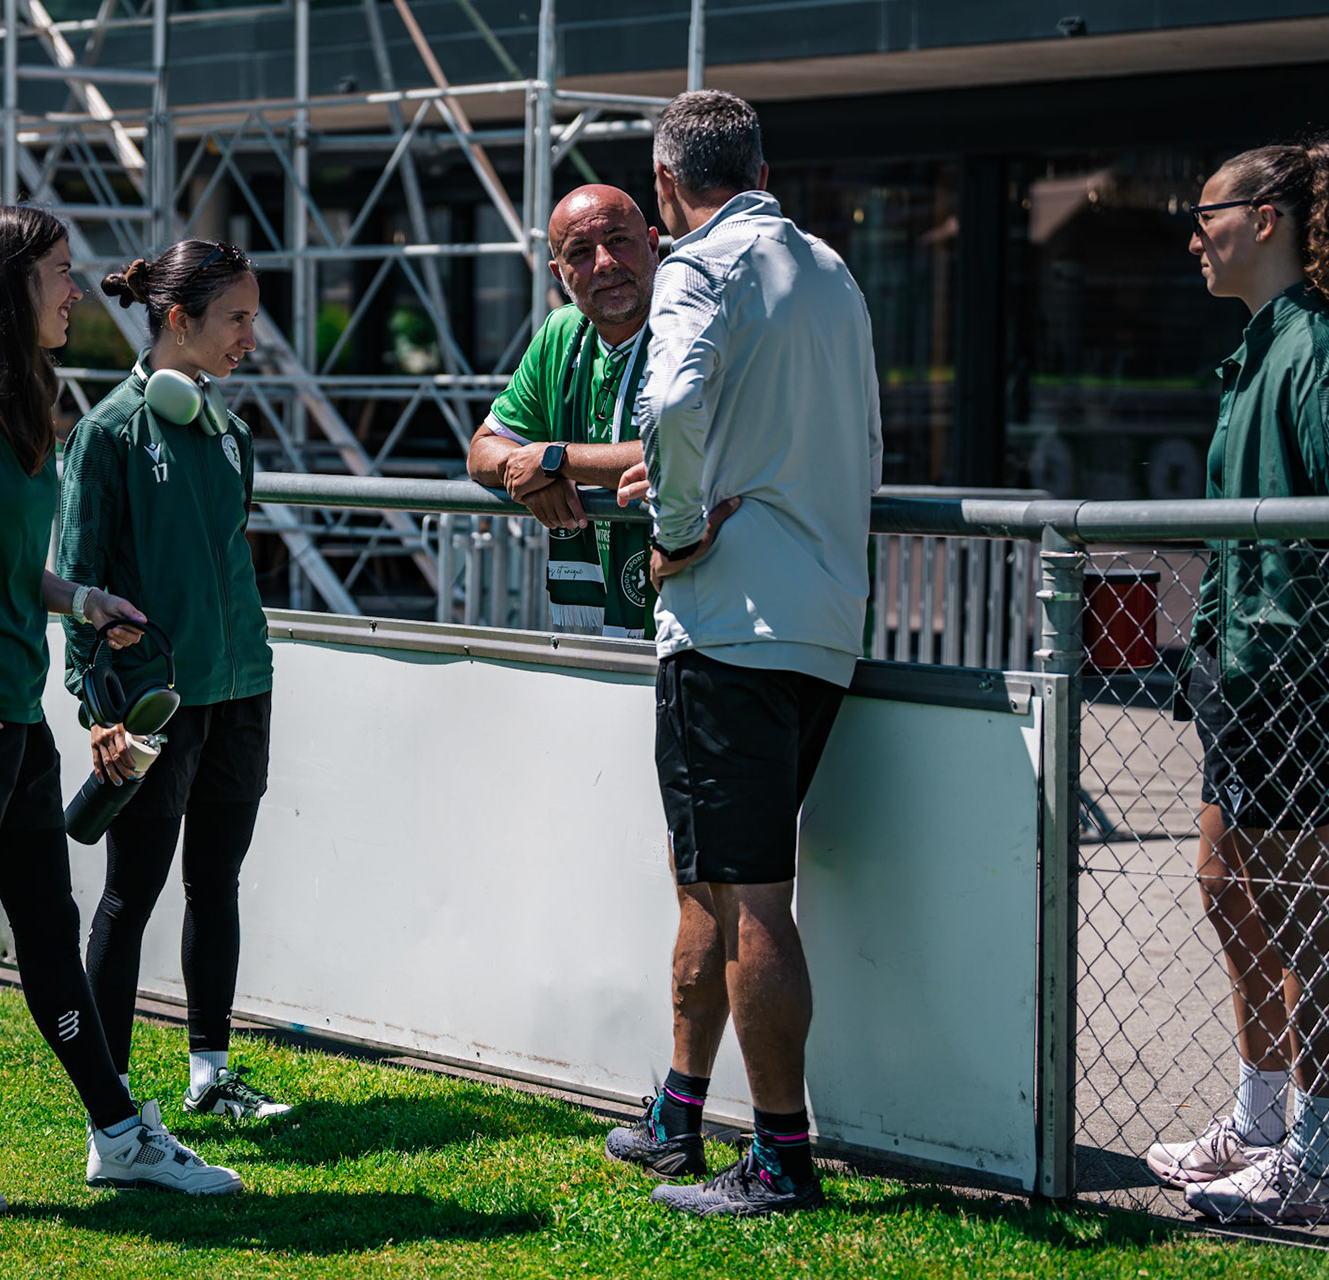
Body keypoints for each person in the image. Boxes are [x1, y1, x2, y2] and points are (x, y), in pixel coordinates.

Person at [0, 204, 242, 1221]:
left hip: (8, 710)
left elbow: (4, 564)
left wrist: (81, 599)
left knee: (50, 931)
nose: (76, 292)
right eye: (59, 273)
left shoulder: (24, 399)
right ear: (5, 284)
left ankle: (117, 1132)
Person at [603, 89, 883, 1217]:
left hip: (728, 623)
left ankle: (779, 1157)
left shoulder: (698, 262)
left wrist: (675, 528)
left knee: (749, 888)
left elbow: (671, 398)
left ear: (666, 188)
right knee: (717, 878)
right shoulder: (830, 265)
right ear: (760, 162)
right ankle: (680, 1111)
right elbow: (859, 439)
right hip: (824, 619)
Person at [1144, 138, 1329, 1227]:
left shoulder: (1325, 353)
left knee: (1297, 908)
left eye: (1206, 215)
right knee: (1224, 885)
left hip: (1290, 676)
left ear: (1273, 217)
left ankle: (1318, 1155)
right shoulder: (1261, 348)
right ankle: (1257, 1124)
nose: (1194, 236)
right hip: (1235, 670)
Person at [59, 240, 288, 1124]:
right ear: (179, 321)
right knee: (129, 894)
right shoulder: (108, 432)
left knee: (216, 886)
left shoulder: (230, 432)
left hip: (242, 692)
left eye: (252, 318)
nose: (251, 338)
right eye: (236, 319)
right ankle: (108, 1103)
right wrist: (97, 707)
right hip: (155, 705)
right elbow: (76, 577)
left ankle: (210, 1074)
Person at [466, 184, 660, 638]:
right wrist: (531, 473)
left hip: (687, 620)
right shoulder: (560, 332)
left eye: (618, 240)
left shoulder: (691, 320)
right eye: (581, 252)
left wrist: (555, 460)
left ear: (653, 244)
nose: (605, 263)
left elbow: (695, 451)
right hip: (588, 633)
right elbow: (480, 452)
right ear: (558, 273)